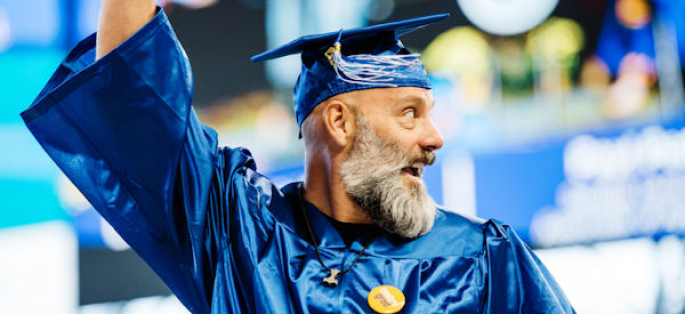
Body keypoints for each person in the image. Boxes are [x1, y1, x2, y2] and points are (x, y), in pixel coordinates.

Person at [22, 1, 575, 313]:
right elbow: (134, 95)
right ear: (339, 123)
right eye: (410, 113)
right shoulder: (238, 235)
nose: (435, 138)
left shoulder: (484, 259)